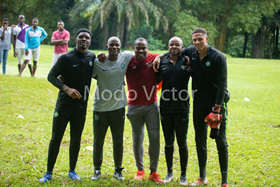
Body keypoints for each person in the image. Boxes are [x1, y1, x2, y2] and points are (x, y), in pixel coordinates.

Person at [153, 28, 229, 187]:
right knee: (200, 140)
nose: (197, 43)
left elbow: (223, 84)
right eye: (194, 40)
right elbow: (173, 51)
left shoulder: (218, 57)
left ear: (206, 39)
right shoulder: (191, 52)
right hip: (199, 104)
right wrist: (160, 56)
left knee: (220, 141)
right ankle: (202, 177)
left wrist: (217, 107)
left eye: (200, 39)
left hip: (216, 104)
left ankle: (224, 181)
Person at [39, 28, 95, 183]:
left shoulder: (92, 57)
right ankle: (48, 173)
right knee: (56, 138)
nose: (84, 39)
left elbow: (98, 73)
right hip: (63, 106)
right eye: (81, 37)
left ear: (90, 41)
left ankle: (72, 170)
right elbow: (51, 76)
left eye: (87, 38)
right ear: (75, 40)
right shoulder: (65, 58)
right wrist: (66, 88)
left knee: (76, 139)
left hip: (81, 107)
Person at [91, 36, 134, 182]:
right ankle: (97, 169)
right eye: (112, 45)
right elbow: (87, 75)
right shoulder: (98, 61)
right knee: (98, 140)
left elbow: (142, 53)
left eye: (117, 45)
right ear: (106, 46)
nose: (115, 48)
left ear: (120, 47)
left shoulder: (126, 57)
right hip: (100, 108)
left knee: (118, 140)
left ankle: (118, 170)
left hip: (118, 108)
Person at [125, 37, 164, 183]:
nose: (141, 50)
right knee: (137, 138)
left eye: (144, 48)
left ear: (148, 48)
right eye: (138, 48)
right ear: (133, 48)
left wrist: (159, 56)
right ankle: (140, 170)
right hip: (134, 106)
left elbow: (171, 53)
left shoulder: (153, 58)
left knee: (154, 138)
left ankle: (153, 172)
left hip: (151, 106)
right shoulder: (128, 61)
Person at [156, 37, 190, 185]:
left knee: (182, 142)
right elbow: (154, 80)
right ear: (168, 46)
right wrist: (159, 56)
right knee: (168, 142)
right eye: (171, 44)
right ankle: (169, 173)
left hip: (182, 108)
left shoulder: (188, 61)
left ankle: (183, 174)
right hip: (166, 108)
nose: (174, 46)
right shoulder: (161, 62)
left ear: (182, 47)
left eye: (177, 45)